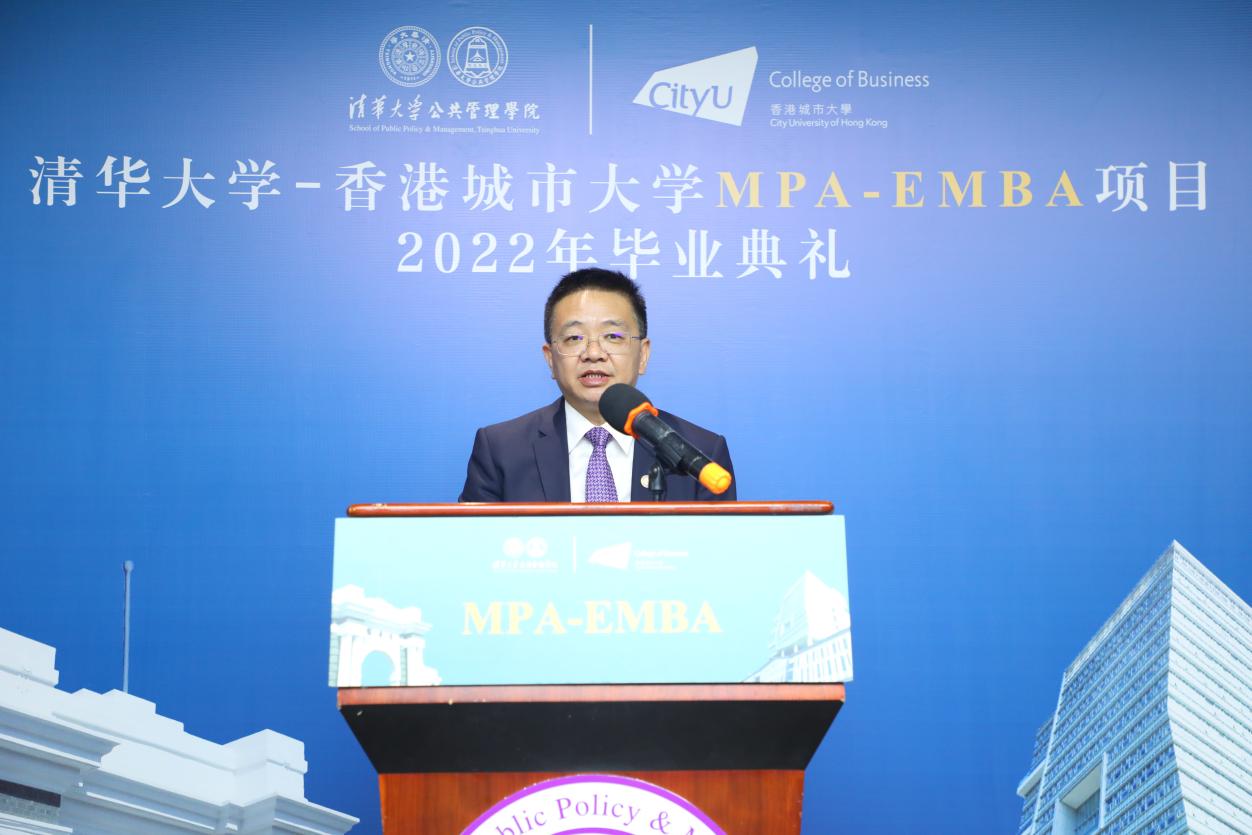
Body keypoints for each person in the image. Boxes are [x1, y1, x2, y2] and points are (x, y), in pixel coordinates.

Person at [459, 268, 735, 502]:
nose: (593, 353)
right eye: (574, 338)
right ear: (550, 359)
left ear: (643, 355)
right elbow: (474, 545)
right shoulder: (501, 449)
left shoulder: (701, 453)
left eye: (613, 336)